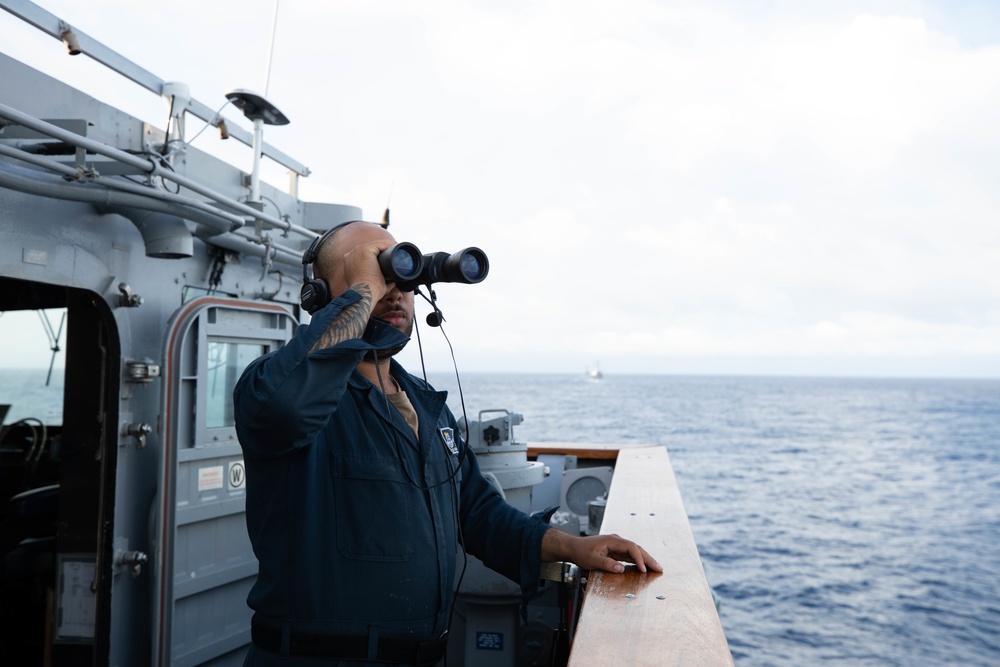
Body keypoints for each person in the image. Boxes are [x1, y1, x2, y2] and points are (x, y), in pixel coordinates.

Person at [233, 221, 661, 666]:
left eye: (404, 279)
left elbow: (477, 513)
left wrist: (572, 546)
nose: (394, 291)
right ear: (320, 295)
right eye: (376, 275)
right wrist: (361, 292)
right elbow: (284, 407)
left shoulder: (425, 404)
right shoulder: (273, 388)